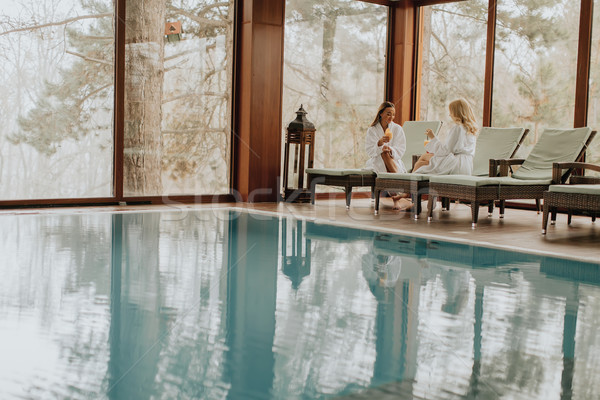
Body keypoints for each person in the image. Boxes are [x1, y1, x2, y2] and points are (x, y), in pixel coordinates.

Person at [365, 101, 411, 210]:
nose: (392, 117)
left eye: (393, 114)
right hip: (376, 160)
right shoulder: (372, 130)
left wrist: (390, 150)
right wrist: (379, 144)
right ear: (381, 113)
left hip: (394, 160)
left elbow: (401, 149)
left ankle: (397, 196)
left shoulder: (397, 129)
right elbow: (369, 150)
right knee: (383, 152)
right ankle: (402, 191)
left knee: (386, 152)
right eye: (388, 113)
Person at [413, 98, 478, 175]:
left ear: (456, 113)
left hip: (454, 164)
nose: (449, 115)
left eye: (451, 112)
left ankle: (409, 182)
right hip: (467, 165)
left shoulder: (457, 128)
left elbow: (446, 150)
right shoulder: (471, 129)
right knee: (424, 162)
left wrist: (433, 138)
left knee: (420, 162)